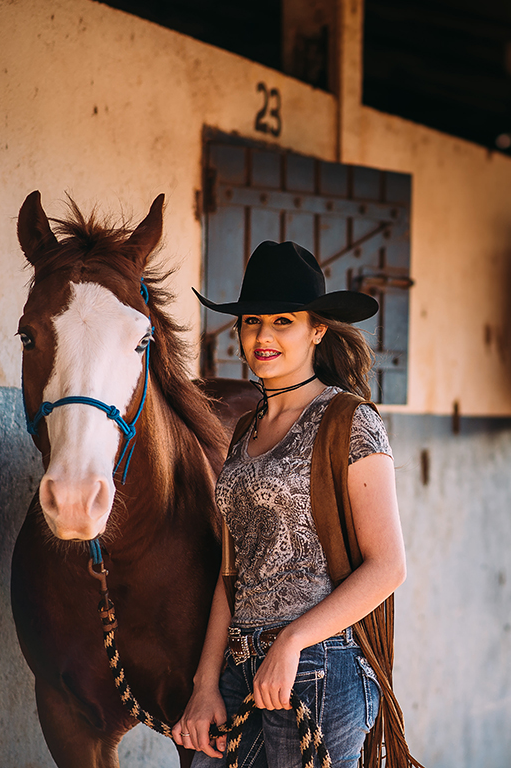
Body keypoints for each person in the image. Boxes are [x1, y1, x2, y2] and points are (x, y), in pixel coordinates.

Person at [176, 240, 407, 767]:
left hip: (320, 664)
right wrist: (205, 682)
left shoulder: (349, 421)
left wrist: (291, 642)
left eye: (284, 321)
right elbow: (230, 572)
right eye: (253, 321)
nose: (264, 336)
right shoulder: (242, 433)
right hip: (241, 664)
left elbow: (388, 566)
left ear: (317, 330)